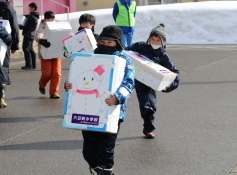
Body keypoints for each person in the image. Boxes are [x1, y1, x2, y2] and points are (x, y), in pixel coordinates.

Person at [65, 25, 135, 175]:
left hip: (112, 112)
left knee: (105, 150)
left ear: (118, 43)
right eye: (103, 41)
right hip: (88, 110)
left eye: (110, 42)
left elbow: (129, 82)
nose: (106, 44)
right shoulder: (91, 57)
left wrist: (118, 97)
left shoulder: (123, 59)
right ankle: (98, 170)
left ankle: (106, 171)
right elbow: (81, 76)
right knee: (88, 152)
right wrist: (69, 84)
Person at [126, 23, 180, 138]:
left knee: (149, 104)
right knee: (142, 101)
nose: (154, 42)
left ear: (163, 42)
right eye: (152, 39)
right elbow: (126, 51)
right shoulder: (140, 46)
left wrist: (169, 86)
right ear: (149, 39)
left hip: (151, 82)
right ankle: (147, 122)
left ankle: (149, 126)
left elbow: (174, 73)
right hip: (136, 78)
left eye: (157, 41)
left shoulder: (163, 56)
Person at [35, 11, 61, 99]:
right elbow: (38, 35)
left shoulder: (59, 24)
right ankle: (42, 84)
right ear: (45, 19)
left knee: (56, 73)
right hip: (45, 52)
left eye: (52, 19)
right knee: (47, 74)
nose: (51, 21)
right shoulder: (42, 25)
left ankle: (54, 92)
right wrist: (41, 40)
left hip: (57, 51)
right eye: (49, 19)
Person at [19, 2, 39, 70]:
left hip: (28, 34)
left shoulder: (31, 17)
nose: (28, 9)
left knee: (26, 49)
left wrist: (21, 26)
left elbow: (27, 26)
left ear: (33, 8)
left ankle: (28, 64)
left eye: (29, 7)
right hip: (32, 34)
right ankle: (33, 64)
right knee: (30, 49)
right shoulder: (36, 17)